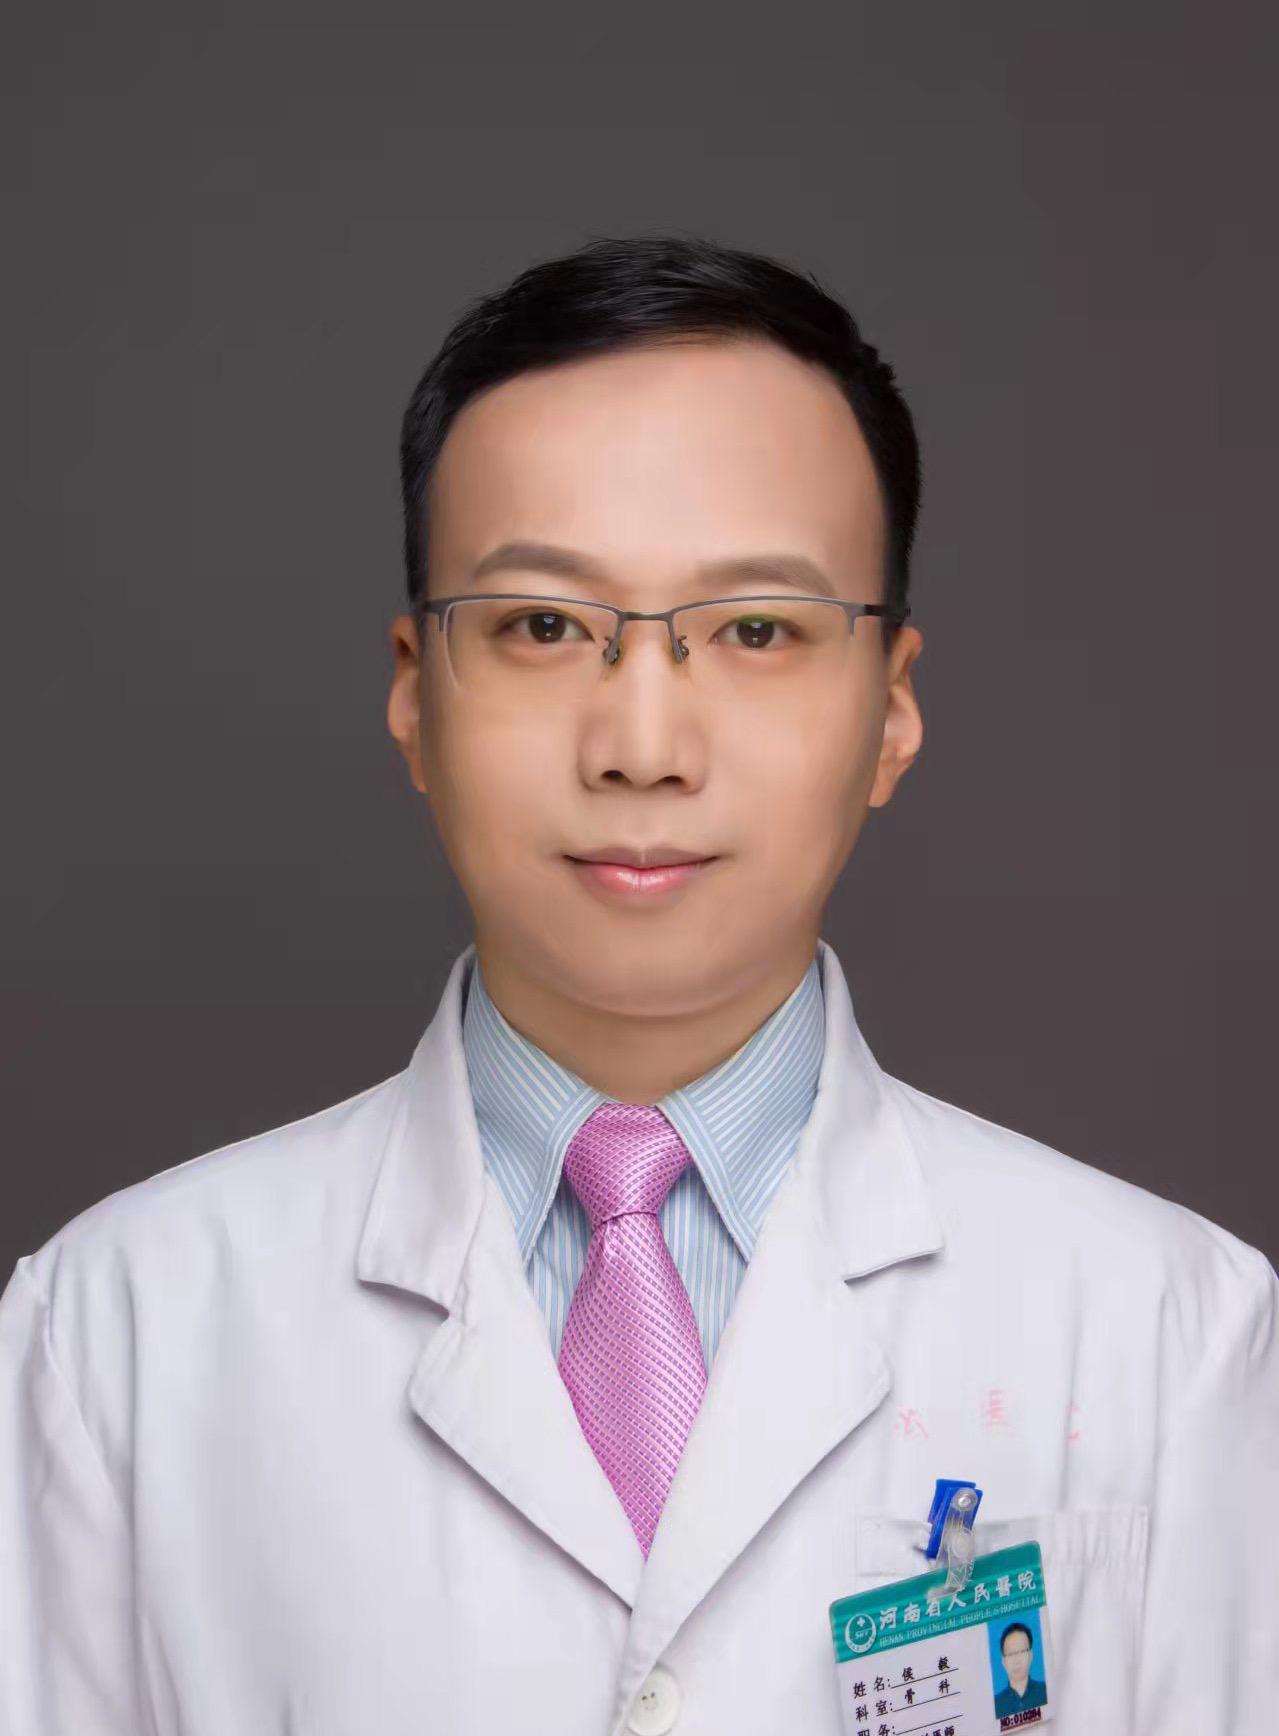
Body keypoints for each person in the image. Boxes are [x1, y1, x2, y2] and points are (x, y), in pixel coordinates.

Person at [1, 234, 1276, 1736]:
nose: (642, 747)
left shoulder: (1164, 1333)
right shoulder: (117, 1331)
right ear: (413, 691)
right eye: (543, 626)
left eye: (756, 630)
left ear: (890, 709)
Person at [993, 1620, 1048, 1719]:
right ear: (1003, 1661)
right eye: (1010, 1653)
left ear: (1030, 1655)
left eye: (1022, 1651)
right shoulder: (996, 1705)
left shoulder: (1046, 1691)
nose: (1016, 1659)